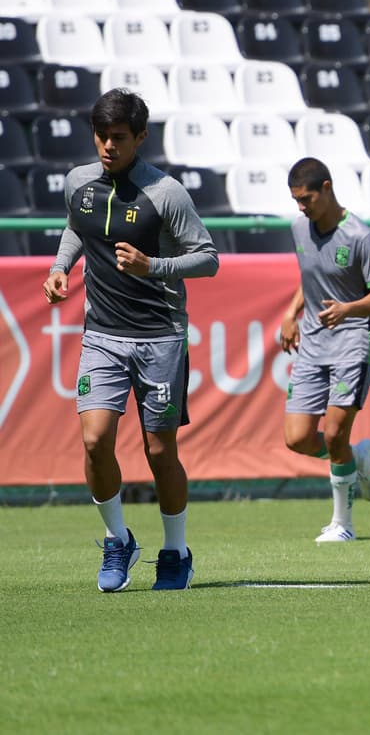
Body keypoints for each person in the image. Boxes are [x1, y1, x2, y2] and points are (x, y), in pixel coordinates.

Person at [43, 88, 219, 592]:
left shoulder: (166, 193)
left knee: (159, 452)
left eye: (119, 138)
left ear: (140, 138)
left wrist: (153, 265)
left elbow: (208, 257)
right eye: (101, 136)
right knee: (95, 440)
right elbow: (78, 226)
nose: (108, 146)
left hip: (160, 336)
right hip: (101, 335)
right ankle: (118, 540)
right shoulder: (79, 182)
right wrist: (60, 268)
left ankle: (175, 551)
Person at [278, 158, 370, 543]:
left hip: (353, 341)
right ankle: (357, 459)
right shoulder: (298, 228)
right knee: (298, 438)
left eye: (306, 198)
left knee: (335, 432)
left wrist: (348, 309)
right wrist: (291, 314)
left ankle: (342, 524)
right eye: (296, 200)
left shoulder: (360, 236)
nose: (301, 207)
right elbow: (310, 275)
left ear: (326, 188)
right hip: (312, 345)